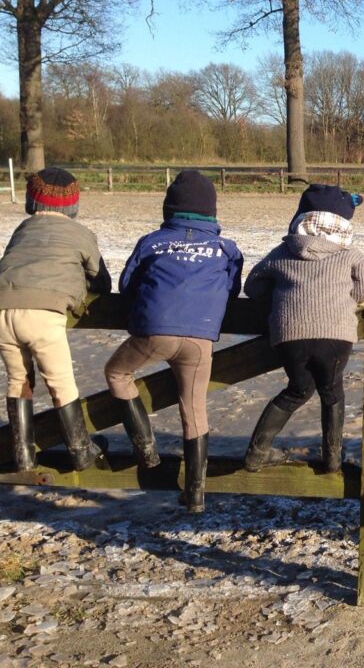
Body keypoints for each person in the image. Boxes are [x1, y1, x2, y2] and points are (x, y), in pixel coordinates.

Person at [104, 170, 243, 513]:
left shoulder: (152, 242)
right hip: (200, 338)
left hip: (154, 331)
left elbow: (126, 285)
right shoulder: (226, 249)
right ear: (212, 211)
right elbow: (233, 289)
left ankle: (146, 450)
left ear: (169, 209)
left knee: (117, 373)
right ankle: (195, 493)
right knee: (194, 410)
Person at [242, 184, 364, 473]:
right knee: (332, 392)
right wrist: (343, 299)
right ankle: (332, 458)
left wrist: (280, 294)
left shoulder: (282, 252)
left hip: (290, 334)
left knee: (298, 390)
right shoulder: (352, 255)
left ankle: (257, 452)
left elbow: (253, 287)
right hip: (335, 334)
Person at [0, 167, 112, 472]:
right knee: (61, 382)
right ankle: (80, 450)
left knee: (18, 379)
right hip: (43, 312)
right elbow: (102, 281)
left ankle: (23, 455)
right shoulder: (81, 234)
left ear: (32, 201)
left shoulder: (23, 229)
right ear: (73, 205)